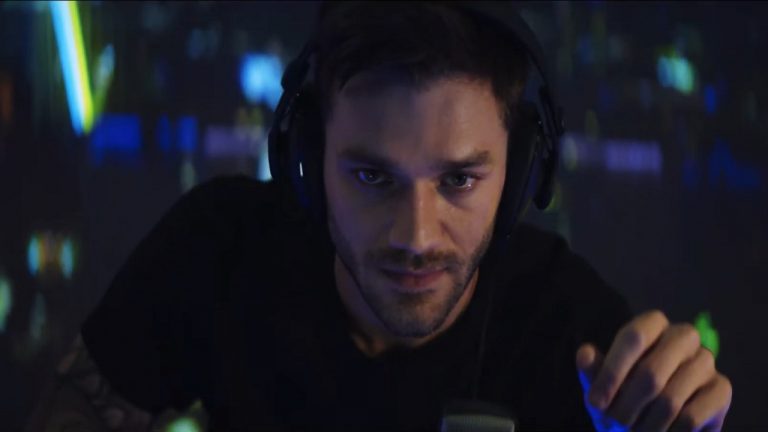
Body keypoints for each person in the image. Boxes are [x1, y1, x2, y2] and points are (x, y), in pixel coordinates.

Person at [28, 2, 732, 431]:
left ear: (521, 173)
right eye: (371, 176)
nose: (416, 236)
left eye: (460, 179)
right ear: (307, 159)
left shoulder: (576, 334)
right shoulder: (219, 251)